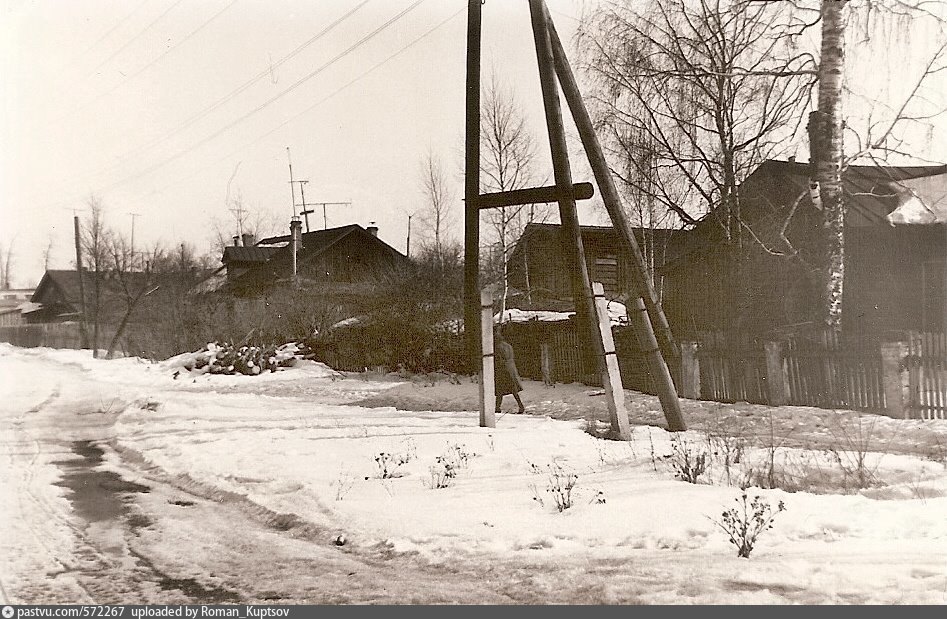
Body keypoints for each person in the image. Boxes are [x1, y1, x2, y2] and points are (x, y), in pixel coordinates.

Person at [494, 326, 525, 414]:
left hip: (502, 370)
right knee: (513, 389)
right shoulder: (508, 346)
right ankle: (520, 406)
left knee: (500, 390)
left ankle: (497, 407)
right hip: (511, 368)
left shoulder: (498, 347)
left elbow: (499, 359)